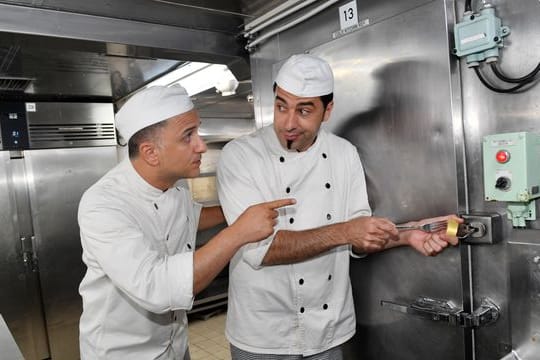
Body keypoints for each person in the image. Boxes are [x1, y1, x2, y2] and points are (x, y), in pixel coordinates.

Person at [216, 54, 462, 359]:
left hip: (329, 331)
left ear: (327, 110)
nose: (289, 123)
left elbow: (358, 237)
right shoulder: (240, 156)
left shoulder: (344, 153)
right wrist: (346, 231)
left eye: (304, 110)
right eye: (281, 106)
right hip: (264, 334)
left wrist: (410, 233)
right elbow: (261, 250)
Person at [77, 84, 294, 360]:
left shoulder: (175, 187)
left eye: (198, 131)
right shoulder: (103, 205)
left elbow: (193, 216)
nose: (201, 145)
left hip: (175, 347)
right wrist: (239, 232)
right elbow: (156, 287)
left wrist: (243, 209)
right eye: (187, 136)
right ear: (151, 152)